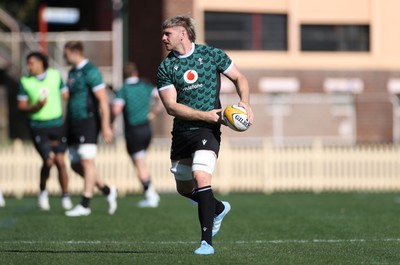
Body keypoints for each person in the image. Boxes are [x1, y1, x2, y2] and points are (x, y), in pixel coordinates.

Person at [157, 15, 254, 255]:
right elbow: (171, 107)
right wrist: (206, 115)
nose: (163, 38)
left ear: (183, 33)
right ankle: (219, 208)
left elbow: (239, 77)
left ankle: (206, 243)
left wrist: (244, 102)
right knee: (183, 187)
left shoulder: (212, 55)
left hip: (208, 130)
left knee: (201, 177)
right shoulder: (166, 67)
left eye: (167, 34)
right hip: (183, 131)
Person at [63, 41, 117, 217]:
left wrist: (105, 126)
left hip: (88, 121)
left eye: (66, 53)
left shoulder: (91, 71)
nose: (64, 57)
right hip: (73, 122)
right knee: (75, 164)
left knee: (87, 162)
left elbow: (103, 101)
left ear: (75, 51)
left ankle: (85, 204)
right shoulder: (72, 72)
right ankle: (107, 190)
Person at [17, 51, 72, 211]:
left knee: (61, 161)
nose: (29, 66)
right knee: (48, 160)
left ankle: (65, 195)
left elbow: (65, 95)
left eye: (31, 63)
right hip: (38, 126)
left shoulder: (55, 76)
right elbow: (21, 106)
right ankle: (42, 192)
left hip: (57, 124)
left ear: (41, 63)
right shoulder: (25, 81)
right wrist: (35, 107)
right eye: (28, 63)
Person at [112, 62, 162, 208]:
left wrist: (110, 123)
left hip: (134, 130)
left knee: (139, 164)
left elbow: (116, 110)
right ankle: (151, 191)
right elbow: (161, 97)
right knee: (140, 162)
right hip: (147, 128)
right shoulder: (145, 86)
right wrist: (154, 112)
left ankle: (150, 195)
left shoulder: (123, 90)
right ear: (135, 73)